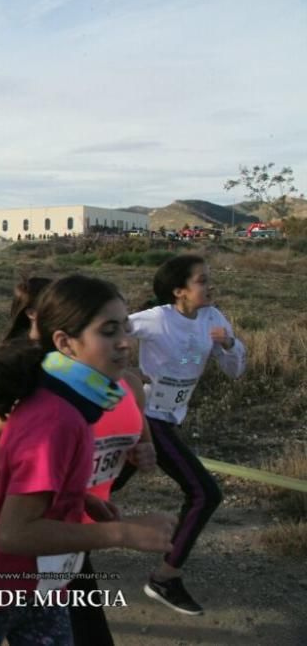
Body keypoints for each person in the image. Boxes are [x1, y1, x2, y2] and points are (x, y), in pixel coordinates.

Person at [0, 276, 157, 644]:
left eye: (125, 326)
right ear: (64, 343)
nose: (125, 341)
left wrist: (78, 499)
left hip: (45, 586)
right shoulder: (57, 417)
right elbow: (14, 533)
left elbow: (45, 477)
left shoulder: (73, 402)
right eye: (108, 331)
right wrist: (121, 533)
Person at [123, 254, 245, 616]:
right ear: (179, 291)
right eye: (202, 281)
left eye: (209, 279)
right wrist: (124, 372)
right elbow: (107, 331)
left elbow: (237, 370)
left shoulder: (212, 318)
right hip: (146, 417)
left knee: (101, 485)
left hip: (169, 418)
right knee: (204, 493)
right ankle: (165, 577)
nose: (210, 286)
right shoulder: (156, 318)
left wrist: (229, 345)